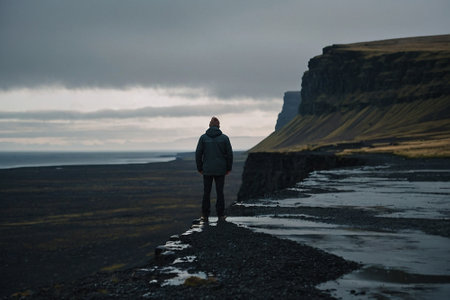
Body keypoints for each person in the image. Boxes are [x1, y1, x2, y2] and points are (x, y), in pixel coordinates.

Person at [195, 117, 233, 222]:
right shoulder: (225, 138)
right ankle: (220, 215)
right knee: (219, 192)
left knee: (206, 192)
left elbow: (198, 154)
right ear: (219, 126)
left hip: (207, 169)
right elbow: (229, 155)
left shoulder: (203, 138)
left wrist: (200, 167)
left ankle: (205, 215)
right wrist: (228, 168)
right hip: (221, 170)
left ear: (209, 125)